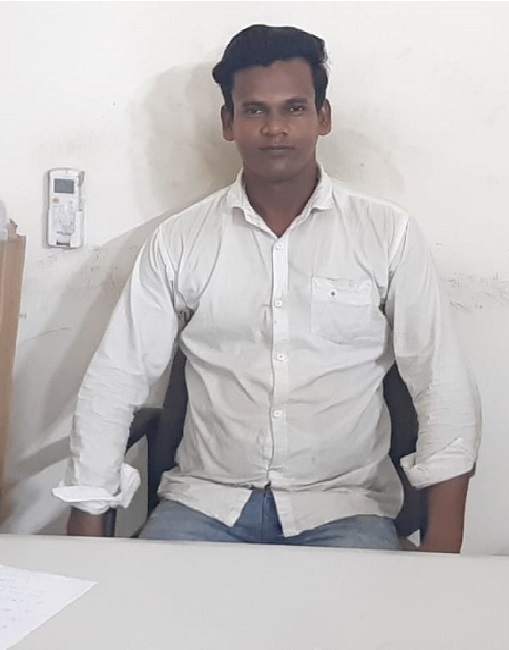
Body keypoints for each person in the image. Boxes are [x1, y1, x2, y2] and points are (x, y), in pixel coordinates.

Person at [56, 24, 481, 553]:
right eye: (254, 110)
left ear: (323, 117)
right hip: (205, 505)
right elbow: (116, 378)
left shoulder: (387, 234)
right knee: (153, 606)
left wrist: (443, 549)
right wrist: (86, 525)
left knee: (358, 610)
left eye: (294, 109)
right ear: (228, 123)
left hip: (344, 509)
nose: (275, 128)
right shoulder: (181, 240)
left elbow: (441, 380)